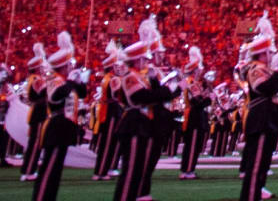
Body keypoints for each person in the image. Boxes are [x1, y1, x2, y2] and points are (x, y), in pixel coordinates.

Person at [112, 17, 178, 201]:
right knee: (131, 170)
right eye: (144, 59)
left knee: (138, 169)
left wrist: (164, 90)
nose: (146, 62)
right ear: (138, 59)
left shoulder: (142, 75)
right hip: (133, 123)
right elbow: (140, 97)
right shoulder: (129, 76)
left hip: (143, 124)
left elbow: (156, 94)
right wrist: (165, 91)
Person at [240, 12, 278, 201]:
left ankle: (257, 191)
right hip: (261, 118)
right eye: (268, 52)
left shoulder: (265, 69)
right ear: (261, 53)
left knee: (264, 162)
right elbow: (264, 88)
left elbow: (277, 85)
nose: (271, 54)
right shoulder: (254, 69)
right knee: (257, 163)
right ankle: (250, 196)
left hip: (270, 118)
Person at [32, 31, 88, 201]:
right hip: (55, 126)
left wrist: (80, 82)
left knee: (55, 172)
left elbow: (82, 94)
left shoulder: (64, 80)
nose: (70, 67)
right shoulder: (52, 78)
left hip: (64, 127)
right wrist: (71, 82)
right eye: (68, 64)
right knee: (49, 170)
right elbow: (55, 97)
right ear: (62, 65)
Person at [91, 42, 126, 181]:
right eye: (116, 66)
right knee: (108, 143)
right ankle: (101, 171)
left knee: (111, 142)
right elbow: (119, 94)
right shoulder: (113, 79)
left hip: (111, 110)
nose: (119, 68)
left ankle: (107, 168)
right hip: (112, 111)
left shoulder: (109, 78)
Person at [179, 47, 212, 179]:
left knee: (194, 145)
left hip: (195, 115)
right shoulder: (191, 83)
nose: (201, 71)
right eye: (199, 69)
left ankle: (188, 169)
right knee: (192, 145)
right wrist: (209, 98)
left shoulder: (194, 83)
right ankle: (187, 170)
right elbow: (198, 103)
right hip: (194, 116)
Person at [19, 42, 48, 181]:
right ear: (36, 68)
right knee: (35, 144)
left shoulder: (32, 79)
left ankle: (28, 169)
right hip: (39, 113)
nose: (43, 69)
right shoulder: (37, 79)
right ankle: (29, 171)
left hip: (36, 112)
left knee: (35, 143)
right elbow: (44, 95)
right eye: (41, 66)